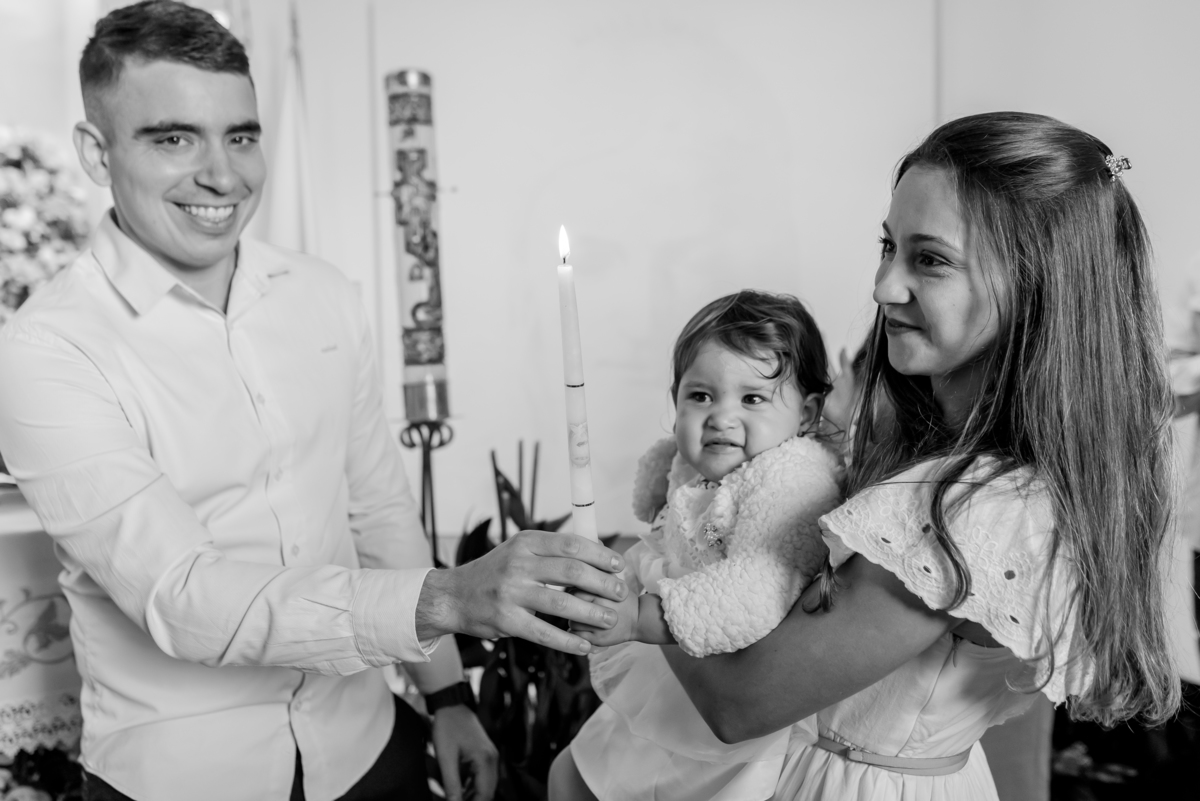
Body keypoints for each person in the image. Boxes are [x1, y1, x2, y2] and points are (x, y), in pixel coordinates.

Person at [0, 3, 628, 801]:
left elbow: (379, 510)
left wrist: (445, 695)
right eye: (172, 138)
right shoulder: (46, 349)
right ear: (96, 151)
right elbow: (183, 596)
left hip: (366, 745)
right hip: (187, 778)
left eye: (241, 134)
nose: (223, 175)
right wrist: (449, 597)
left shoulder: (323, 296)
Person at [573, 112, 1181, 800]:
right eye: (889, 247)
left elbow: (741, 701)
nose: (884, 286)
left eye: (930, 258)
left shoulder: (978, 508)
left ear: (1037, 287)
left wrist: (652, 567)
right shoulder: (934, 454)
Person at [549, 290, 845, 800]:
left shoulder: (792, 478)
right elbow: (660, 514)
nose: (720, 417)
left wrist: (640, 615)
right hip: (673, 670)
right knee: (573, 774)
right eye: (701, 396)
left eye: (752, 398)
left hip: (734, 691)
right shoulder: (695, 461)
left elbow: (759, 589)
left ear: (807, 411)